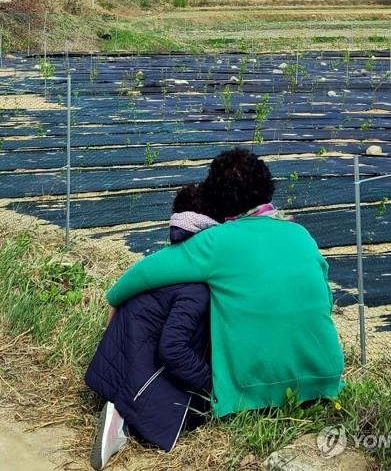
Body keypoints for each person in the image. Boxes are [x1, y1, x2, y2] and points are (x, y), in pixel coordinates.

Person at [106, 148, 345, 419]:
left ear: (215, 197)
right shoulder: (301, 235)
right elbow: (325, 300)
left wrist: (114, 299)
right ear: (268, 187)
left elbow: (148, 271)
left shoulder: (217, 241)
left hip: (253, 391)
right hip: (325, 379)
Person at [85, 183, 217, 470]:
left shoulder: (161, 263)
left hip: (115, 363)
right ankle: (122, 419)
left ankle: (119, 403)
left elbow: (118, 302)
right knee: (198, 411)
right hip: (141, 372)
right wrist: (210, 384)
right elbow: (172, 348)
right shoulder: (196, 287)